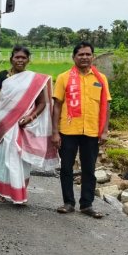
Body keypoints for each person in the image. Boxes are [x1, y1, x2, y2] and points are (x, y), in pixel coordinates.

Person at [0, 45, 58, 205]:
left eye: (23, 58)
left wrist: (30, 117)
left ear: (28, 60)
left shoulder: (34, 80)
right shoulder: (3, 76)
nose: (20, 60)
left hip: (22, 126)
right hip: (4, 124)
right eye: (17, 57)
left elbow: (43, 103)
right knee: (3, 158)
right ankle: (1, 192)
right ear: (11, 58)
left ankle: (18, 192)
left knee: (21, 160)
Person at [52, 42, 111, 218]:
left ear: (93, 56)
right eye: (81, 54)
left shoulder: (100, 79)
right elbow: (57, 106)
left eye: (88, 54)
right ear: (74, 57)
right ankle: (68, 203)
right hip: (68, 130)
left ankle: (87, 205)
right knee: (66, 169)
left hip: (92, 131)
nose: (84, 57)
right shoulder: (64, 77)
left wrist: (105, 130)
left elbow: (106, 106)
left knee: (89, 169)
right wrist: (55, 132)